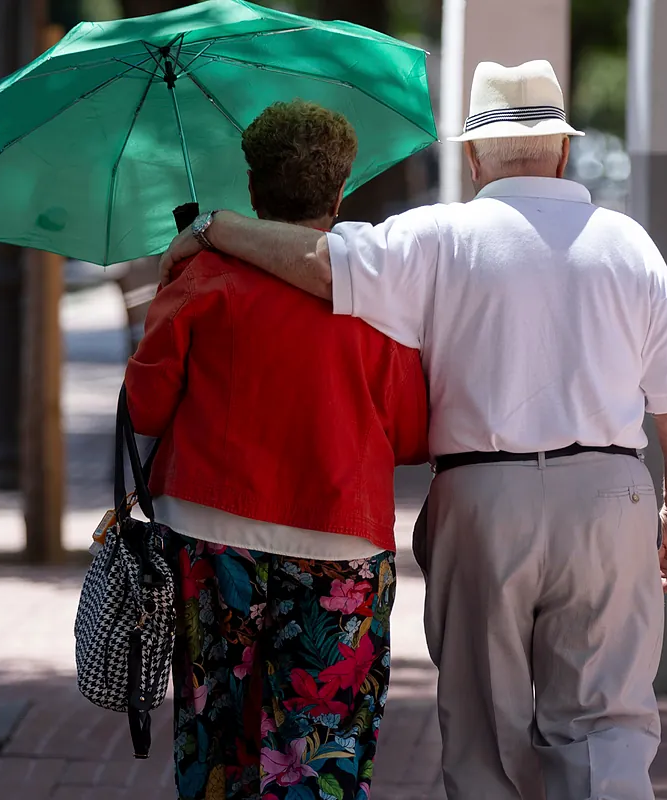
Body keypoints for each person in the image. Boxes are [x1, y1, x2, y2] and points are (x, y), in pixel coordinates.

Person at [159, 61, 667, 800]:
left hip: (483, 500)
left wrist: (214, 228)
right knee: (607, 722)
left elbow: (320, 263)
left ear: (474, 157)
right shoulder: (630, 245)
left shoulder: (438, 234)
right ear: (565, 152)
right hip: (610, 499)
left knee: (486, 731)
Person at [124, 100, 429, 800]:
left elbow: (144, 406)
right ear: (341, 190)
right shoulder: (376, 297)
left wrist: (173, 286)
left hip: (211, 536)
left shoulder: (203, 279)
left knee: (217, 746)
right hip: (338, 541)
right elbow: (410, 434)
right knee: (322, 754)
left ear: (255, 191)